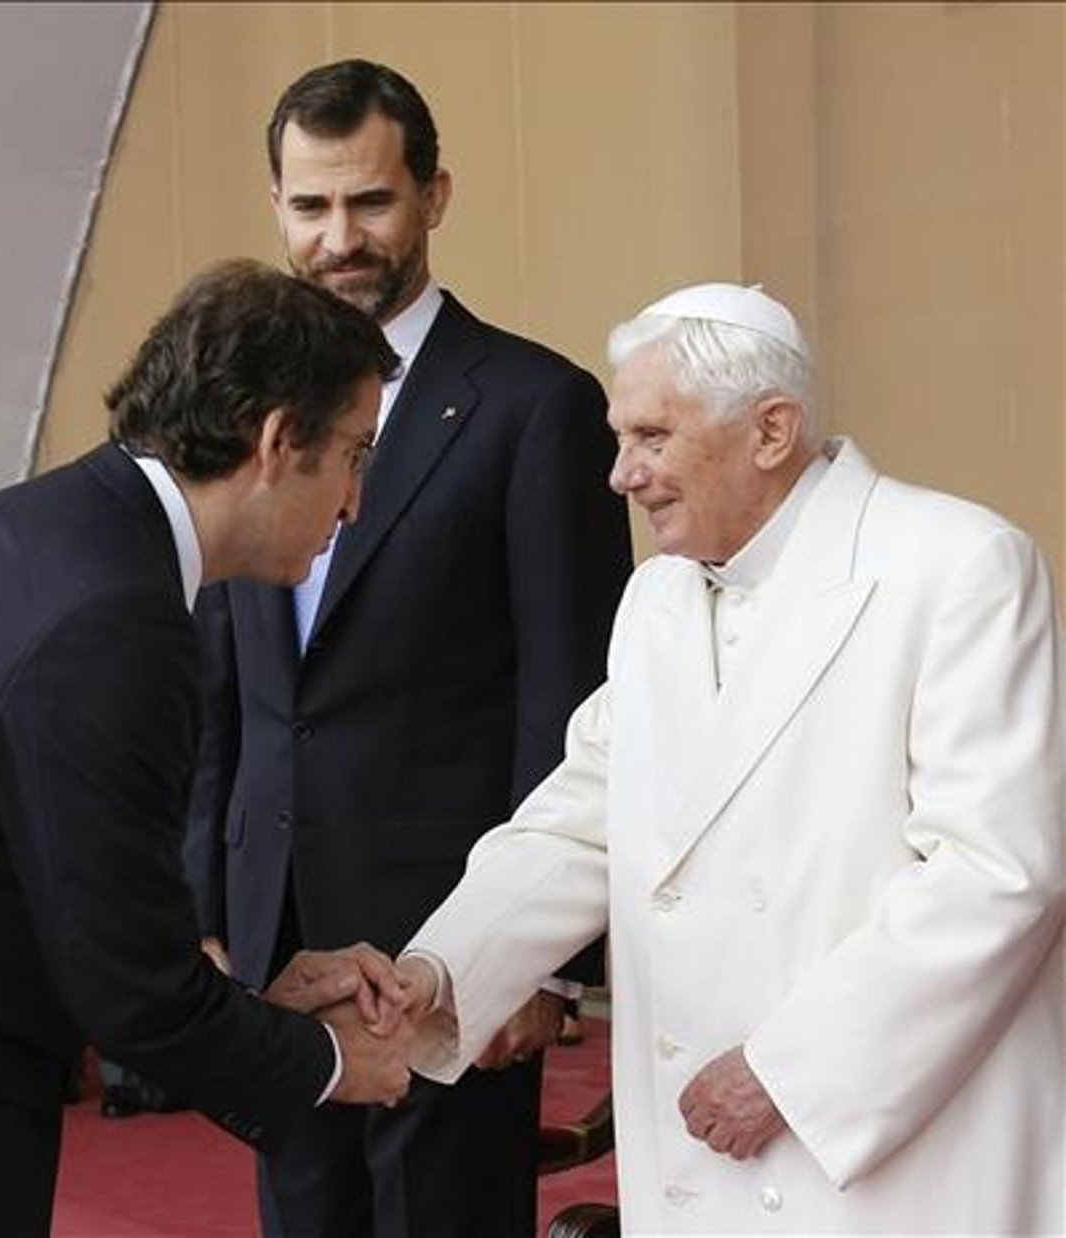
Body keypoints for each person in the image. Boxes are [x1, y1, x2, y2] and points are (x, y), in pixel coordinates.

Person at [401, 282, 1065, 1235]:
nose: (620, 475)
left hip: (882, 1145)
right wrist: (437, 971)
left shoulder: (960, 565)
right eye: (620, 439)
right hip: (699, 1152)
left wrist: (791, 1072)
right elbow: (580, 821)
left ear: (771, 430)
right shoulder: (656, 599)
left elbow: (996, 873)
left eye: (651, 438)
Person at [0, 259, 417, 1238]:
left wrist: (244, 1002)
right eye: (354, 455)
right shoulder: (114, 619)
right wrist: (335, 1062)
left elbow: (84, 892)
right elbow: (131, 989)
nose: (353, 506)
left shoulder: (60, 525)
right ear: (276, 441)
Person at [184, 60, 632, 1238]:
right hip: (274, 933)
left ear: (435, 196)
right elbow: (221, 687)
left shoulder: (536, 405)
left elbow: (571, 697)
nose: (339, 239)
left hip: (453, 938)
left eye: (370, 201)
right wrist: (206, 901)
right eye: (310, 206)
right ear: (277, 207)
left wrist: (537, 960)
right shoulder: (241, 409)